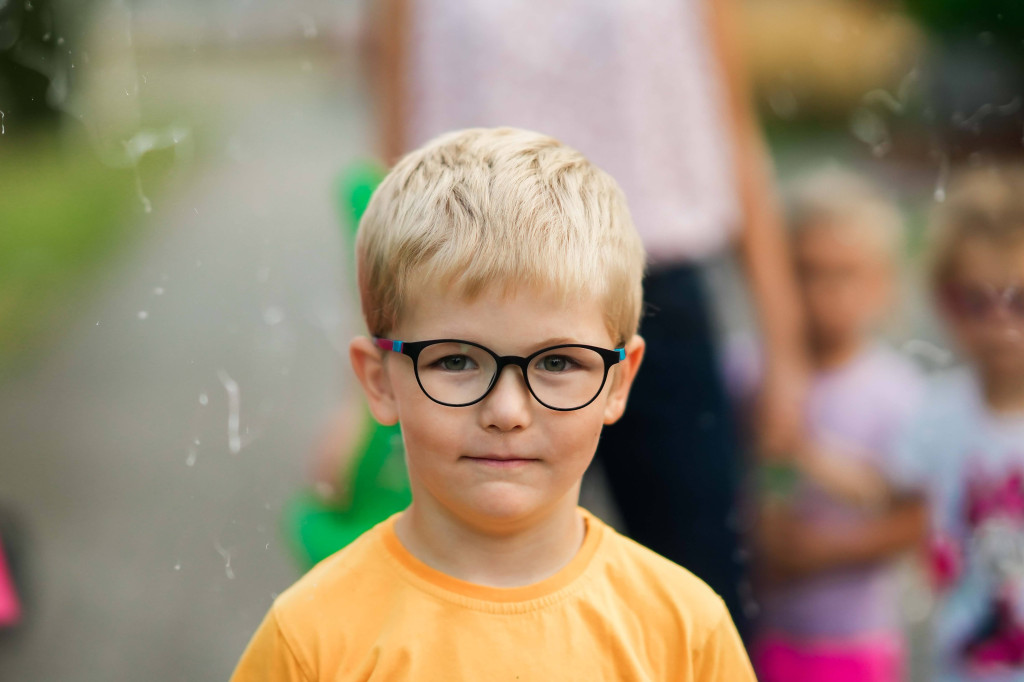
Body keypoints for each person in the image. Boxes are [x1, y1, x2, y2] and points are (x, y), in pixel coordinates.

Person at [230, 127, 755, 680]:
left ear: (619, 382)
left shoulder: (686, 633)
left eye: (557, 363)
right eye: (455, 362)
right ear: (380, 381)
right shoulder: (309, 638)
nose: (507, 411)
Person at [373, 0, 807, 634]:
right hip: (464, 307)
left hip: (658, 301)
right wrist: (361, 374)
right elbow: (387, 168)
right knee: (469, 615)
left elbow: (730, 128)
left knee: (700, 599)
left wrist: (785, 349)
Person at [725, 168, 928, 681]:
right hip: (751, 632)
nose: (822, 292)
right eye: (805, 272)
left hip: (852, 643)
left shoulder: (897, 392)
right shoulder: (747, 371)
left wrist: (821, 546)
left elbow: (911, 511)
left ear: (882, 282)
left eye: (843, 274)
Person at [888, 165, 1024, 681]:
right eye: (976, 302)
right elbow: (889, 502)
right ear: (944, 300)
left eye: (1020, 302)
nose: (1000, 326)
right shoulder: (933, 415)